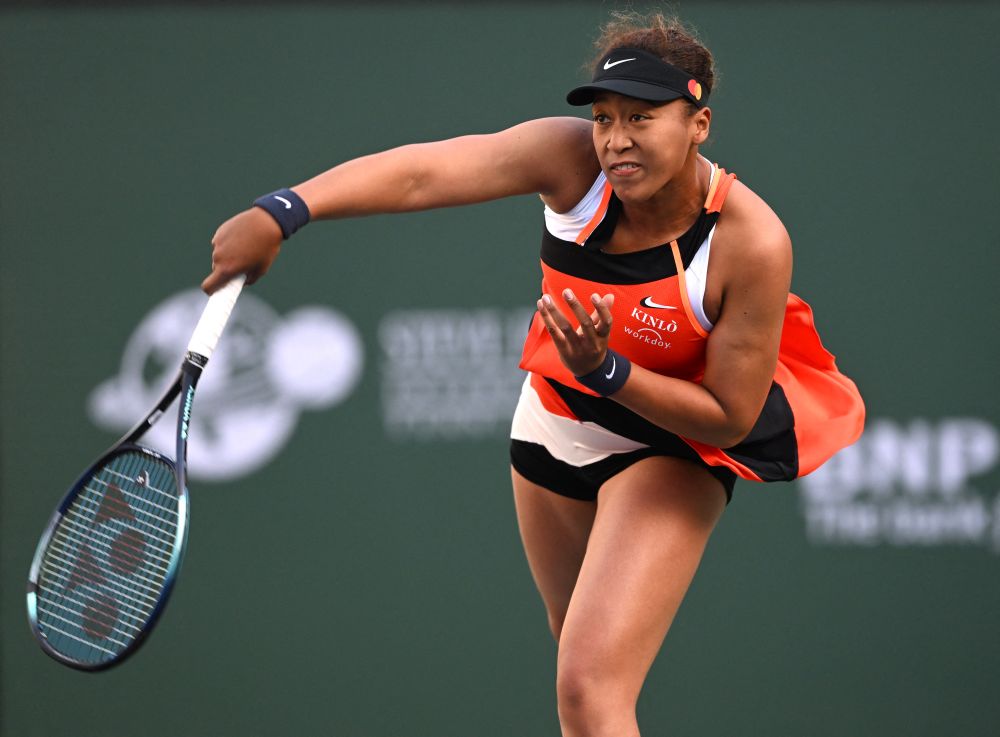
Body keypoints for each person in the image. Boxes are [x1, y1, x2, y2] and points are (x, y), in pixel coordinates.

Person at [202, 11, 864, 737]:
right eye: (606, 117)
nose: (615, 139)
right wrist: (285, 210)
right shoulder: (570, 159)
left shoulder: (752, 241)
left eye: (642, 118)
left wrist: (609, 371)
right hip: (549, 427)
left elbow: (729, 418)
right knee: (578, 675)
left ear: (699, 123)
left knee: (588, 688)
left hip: (669, 449)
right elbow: (425, 174)